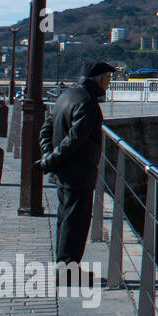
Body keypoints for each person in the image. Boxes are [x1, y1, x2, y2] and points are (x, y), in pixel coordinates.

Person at [38, 61, 114, 277]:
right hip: (79, 173)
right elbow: (75, 141)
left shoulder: (66, 96)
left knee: (65, 219)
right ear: (100, 80)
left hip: (64, 172)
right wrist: (50, 160)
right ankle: (68, 273)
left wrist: (48, 155)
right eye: (108, 79)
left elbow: (46, 128)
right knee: (77, 223)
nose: (109, 84)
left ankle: (65, 267)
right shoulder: (88, 103)